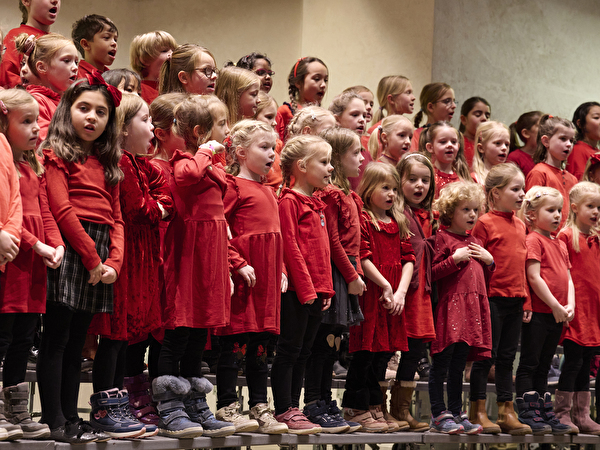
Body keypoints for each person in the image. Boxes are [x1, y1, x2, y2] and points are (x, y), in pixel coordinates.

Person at [38, 73, 124, 444]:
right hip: (74, 248)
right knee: (57, 338)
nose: (92, 117)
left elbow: (117, 218)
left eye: (101, 112)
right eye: (83, 108)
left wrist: (113, 264)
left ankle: (73, 416)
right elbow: (61, 208)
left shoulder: (108, 163)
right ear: (66, 111)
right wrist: (91, 259)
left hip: (100, 254)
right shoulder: (56, 154)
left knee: (79, 342)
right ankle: (53, 417)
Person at [88, 93, 172, 438]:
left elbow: (163, 198)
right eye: (145, 120)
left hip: (141, 255)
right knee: (114, 334)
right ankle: (107, 406)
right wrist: (160, 207)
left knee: (125, 337)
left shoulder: (139, 163)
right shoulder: (121, 162)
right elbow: (142, 209)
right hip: (124, 256)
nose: (153, 127)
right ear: (122, 128)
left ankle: (121, 402)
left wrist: (160, 204)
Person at [153, 95, 235, 438]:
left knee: (199, 333)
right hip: (187, 257)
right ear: (201, 132)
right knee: (178, 331)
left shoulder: (209, 165)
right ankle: (169, 406)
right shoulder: (183, 161)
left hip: (209, 260)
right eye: (220, 127)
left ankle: (193, 404)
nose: (226, 134)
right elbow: (186, 176)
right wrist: (205, 152)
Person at [214, 120, 288, 434]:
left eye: (273, 148)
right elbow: (221, 229)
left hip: (267, 283)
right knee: (237, 345)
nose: (272, 153)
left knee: (260, 347)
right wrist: (237, 262)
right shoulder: (232, 185)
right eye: (264, 147)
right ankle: (227, 404)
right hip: (245, 281)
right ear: (242, 152)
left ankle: (259, 404)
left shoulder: (269, 189)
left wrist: (282, 268)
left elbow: (276, 236)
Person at [0, 88, 63, 441]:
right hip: (14, 260)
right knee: (4, 336)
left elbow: (45, 213)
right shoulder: (5, 164)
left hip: (35, 266)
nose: (37, 128)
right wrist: (37, 244)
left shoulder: (32, 166)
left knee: (24, 338)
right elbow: (15, 217)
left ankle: (16, 410)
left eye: (37, 120)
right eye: (26, 121)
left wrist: (55, 244)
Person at [342, 162, 415, 433]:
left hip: (393, 297)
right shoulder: (363, 219)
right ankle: (355, 406)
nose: (391, 194)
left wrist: (400, 293)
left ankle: (375, 405)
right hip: (372, 293)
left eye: (395, 189)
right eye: (385, 188)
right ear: (370, 188)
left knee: (383, 355)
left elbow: (409, 259)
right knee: (365, 353)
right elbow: (363, 256)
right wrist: (385, 286)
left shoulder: (398, 221)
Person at [303, 127, 366, 433]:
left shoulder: (347, 194)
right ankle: (314, 401)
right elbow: (333, 242)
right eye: (355, 153)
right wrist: (352, 275)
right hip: (336, 274)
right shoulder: (328, 195)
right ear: (338, 159)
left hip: (347, 274)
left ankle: (327, 399)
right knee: (323, 343)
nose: (362, 158)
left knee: (334, 344)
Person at [271, 135, 334, 434]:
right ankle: (283, 407)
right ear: (302, 166)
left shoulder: (318, 203)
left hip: (316, 292)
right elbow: (291, 248)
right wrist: (308, 289)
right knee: (289, 351)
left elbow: (323, 253)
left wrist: (327, 289)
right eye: (324, 162)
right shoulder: (289, 201)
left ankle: (294, 407)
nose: (330, 168)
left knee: (304, 353)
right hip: (297, 292)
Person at [468, 163, 531, 435]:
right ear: (495, 194)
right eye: (515, 189)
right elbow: (476, 263)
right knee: (485, 357)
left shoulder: (520, 224)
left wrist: (526, 299)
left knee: (507, 358)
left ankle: (507, 410)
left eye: (523, 189)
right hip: (491, 299)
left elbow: (522, 266)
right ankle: (478, 409)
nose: (522, 194)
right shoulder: (483, 223)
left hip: (515, 300)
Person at [428, 181, 492, 435]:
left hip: (472, 311)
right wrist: (453, 261)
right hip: (450, 310)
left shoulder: (475, 241)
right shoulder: (442, 238)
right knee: (441, 363)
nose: (472, 215)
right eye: (466, 209)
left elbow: (480, 280)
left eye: (476, 210)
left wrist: (490, 262)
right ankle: (438, 413)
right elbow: (431, 274)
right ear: (450, 211)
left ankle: (456, 411)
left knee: (458, 365)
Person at [514, 186, 574, 435]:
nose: (558, 215)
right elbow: (534, 277)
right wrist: (555, 305)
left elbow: (569, 278)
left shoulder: (559, 243)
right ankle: (528, 410)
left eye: (559, 210)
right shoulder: (533, 240)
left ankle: (542, 407)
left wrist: (570, 305)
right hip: (540, 313)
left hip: (557, 314)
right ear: (531, 214)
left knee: (545, 363)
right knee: (530, 362)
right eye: (551, 210)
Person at [390, 153, 437, 433]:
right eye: (412, 179)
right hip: (401, 291)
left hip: (421, 295)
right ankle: (376, 407)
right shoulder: (396, 213)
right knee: (389, 350)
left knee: (415, 349)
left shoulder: (426, 216)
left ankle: (402, 410)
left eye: (425, 180)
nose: (420, 185)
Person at [554, 182, 600, 435]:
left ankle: (582, 414)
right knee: (572, 362)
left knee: (587, 363)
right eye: (590, 206)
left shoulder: (597, 238)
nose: (596, 212)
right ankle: (562, 412)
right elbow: (564, 275)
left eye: (599, 207)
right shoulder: (566, 236)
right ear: (574, 207)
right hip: (576, 311)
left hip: (594, 312)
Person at [14, 33, 78, 141]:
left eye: (76, 62)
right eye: (67, 61)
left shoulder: (66, 101)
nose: (75, 67)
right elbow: (42, 143)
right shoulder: (36, 102)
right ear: (42, 67)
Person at [526, 114, 577, 231]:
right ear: (546, 141)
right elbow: (530, 212)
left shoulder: (572, 179)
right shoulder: (539, 173)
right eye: (563, 139)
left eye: (571, 140)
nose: (569, 144)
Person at [0, 0, 61, 88]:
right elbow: (7, 79)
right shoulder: (15, 37)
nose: (55, 1)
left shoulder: (60, 42)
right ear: (26, 1)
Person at [275, 57, 328, 141]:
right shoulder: (284, 111)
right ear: (298, 82)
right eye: (317, 79)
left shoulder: (325, 116)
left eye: (325, 80)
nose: (323, 85)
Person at [419, 121, 471, 197]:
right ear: (430, 147)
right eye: (443, 142)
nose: (450, 145)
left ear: (458, 147)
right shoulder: (428, 177)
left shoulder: (463, 178)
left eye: (453, 142)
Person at [129, 31, 177, 104]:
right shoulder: (139, 91)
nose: (172, 54)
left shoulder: (177, 90)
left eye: (174, 50)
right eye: (164, 51)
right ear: (145, 59)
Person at [410, 83, 456, 152]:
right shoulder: (415, 137)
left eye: (454, 101)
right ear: (431, 107)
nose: (454, 106)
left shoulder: (454, 136)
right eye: (447, 101)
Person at [72, 14, 118, 79]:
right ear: (86, 44)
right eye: (107, 37)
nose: (114, 43)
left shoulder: (113, 79)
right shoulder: (75, 77)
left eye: (115, 39)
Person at [567, 102, 600, 180]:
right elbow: (580, 186)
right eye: (596, 117)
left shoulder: (596, 150)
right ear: (580, 124)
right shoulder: (577, 150)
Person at [470, 121, 510, 185]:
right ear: (481, 148)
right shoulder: (474, 179)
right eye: (498, 143)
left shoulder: (511, 176)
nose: (504, 148)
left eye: (507, 144)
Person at [458, 97, 491, 168]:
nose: (484, 118)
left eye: (487, 116)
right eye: (478, 115)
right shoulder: (457, 144)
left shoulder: (490, 145)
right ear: (464, 119)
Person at [507, 111, 542, 177]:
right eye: (541, 126)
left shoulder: (547, 155)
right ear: (526, 133)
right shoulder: (514, 157)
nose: (546, 130)